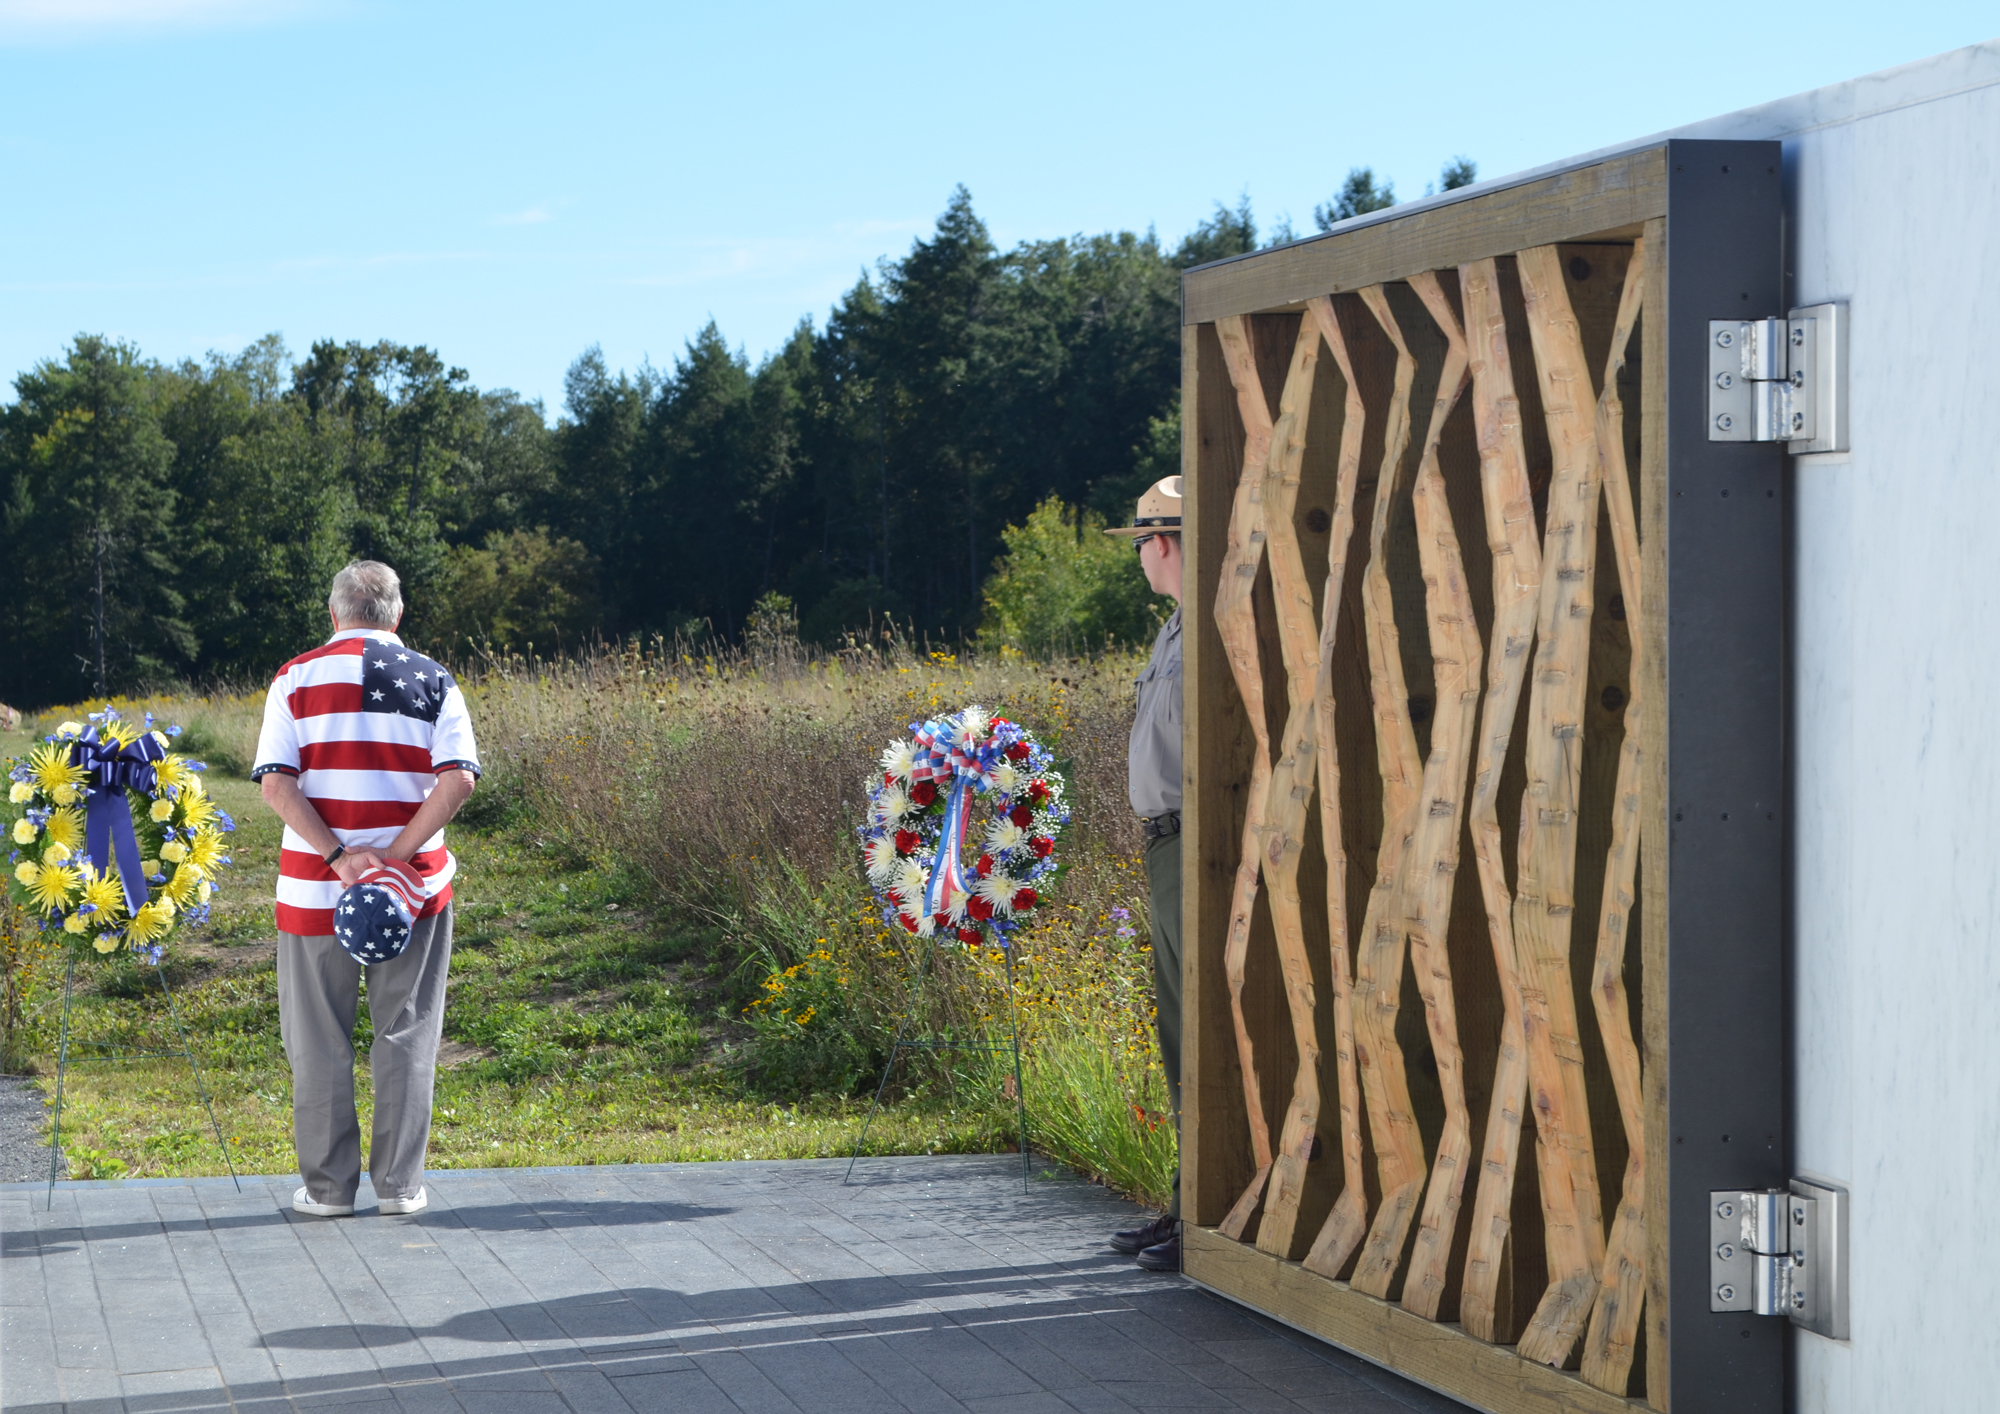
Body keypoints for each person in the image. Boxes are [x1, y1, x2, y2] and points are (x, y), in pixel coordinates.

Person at [250, 560, 480, 1218]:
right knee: (406, 1033)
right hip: (412, 898)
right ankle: (399, 1188)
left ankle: (326, 1192)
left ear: (334, 614)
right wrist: (396, 859)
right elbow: (459, 779)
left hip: (315, 893)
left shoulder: (294, 679)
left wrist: (341, 858)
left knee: (318, 1039)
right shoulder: (434, 679)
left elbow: (275, 784)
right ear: (397, 616)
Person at [1103, 476, 1185, 1272]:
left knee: (1201, 1029)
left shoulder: (1206, 630)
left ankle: (1203, 1212)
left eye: (1139, 542)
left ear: (1159, 544)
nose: (1139, 556)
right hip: (1167, 843)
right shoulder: (1173, 632)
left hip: (1196, 845)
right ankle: (1187, 1200)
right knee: (1177, 1032)